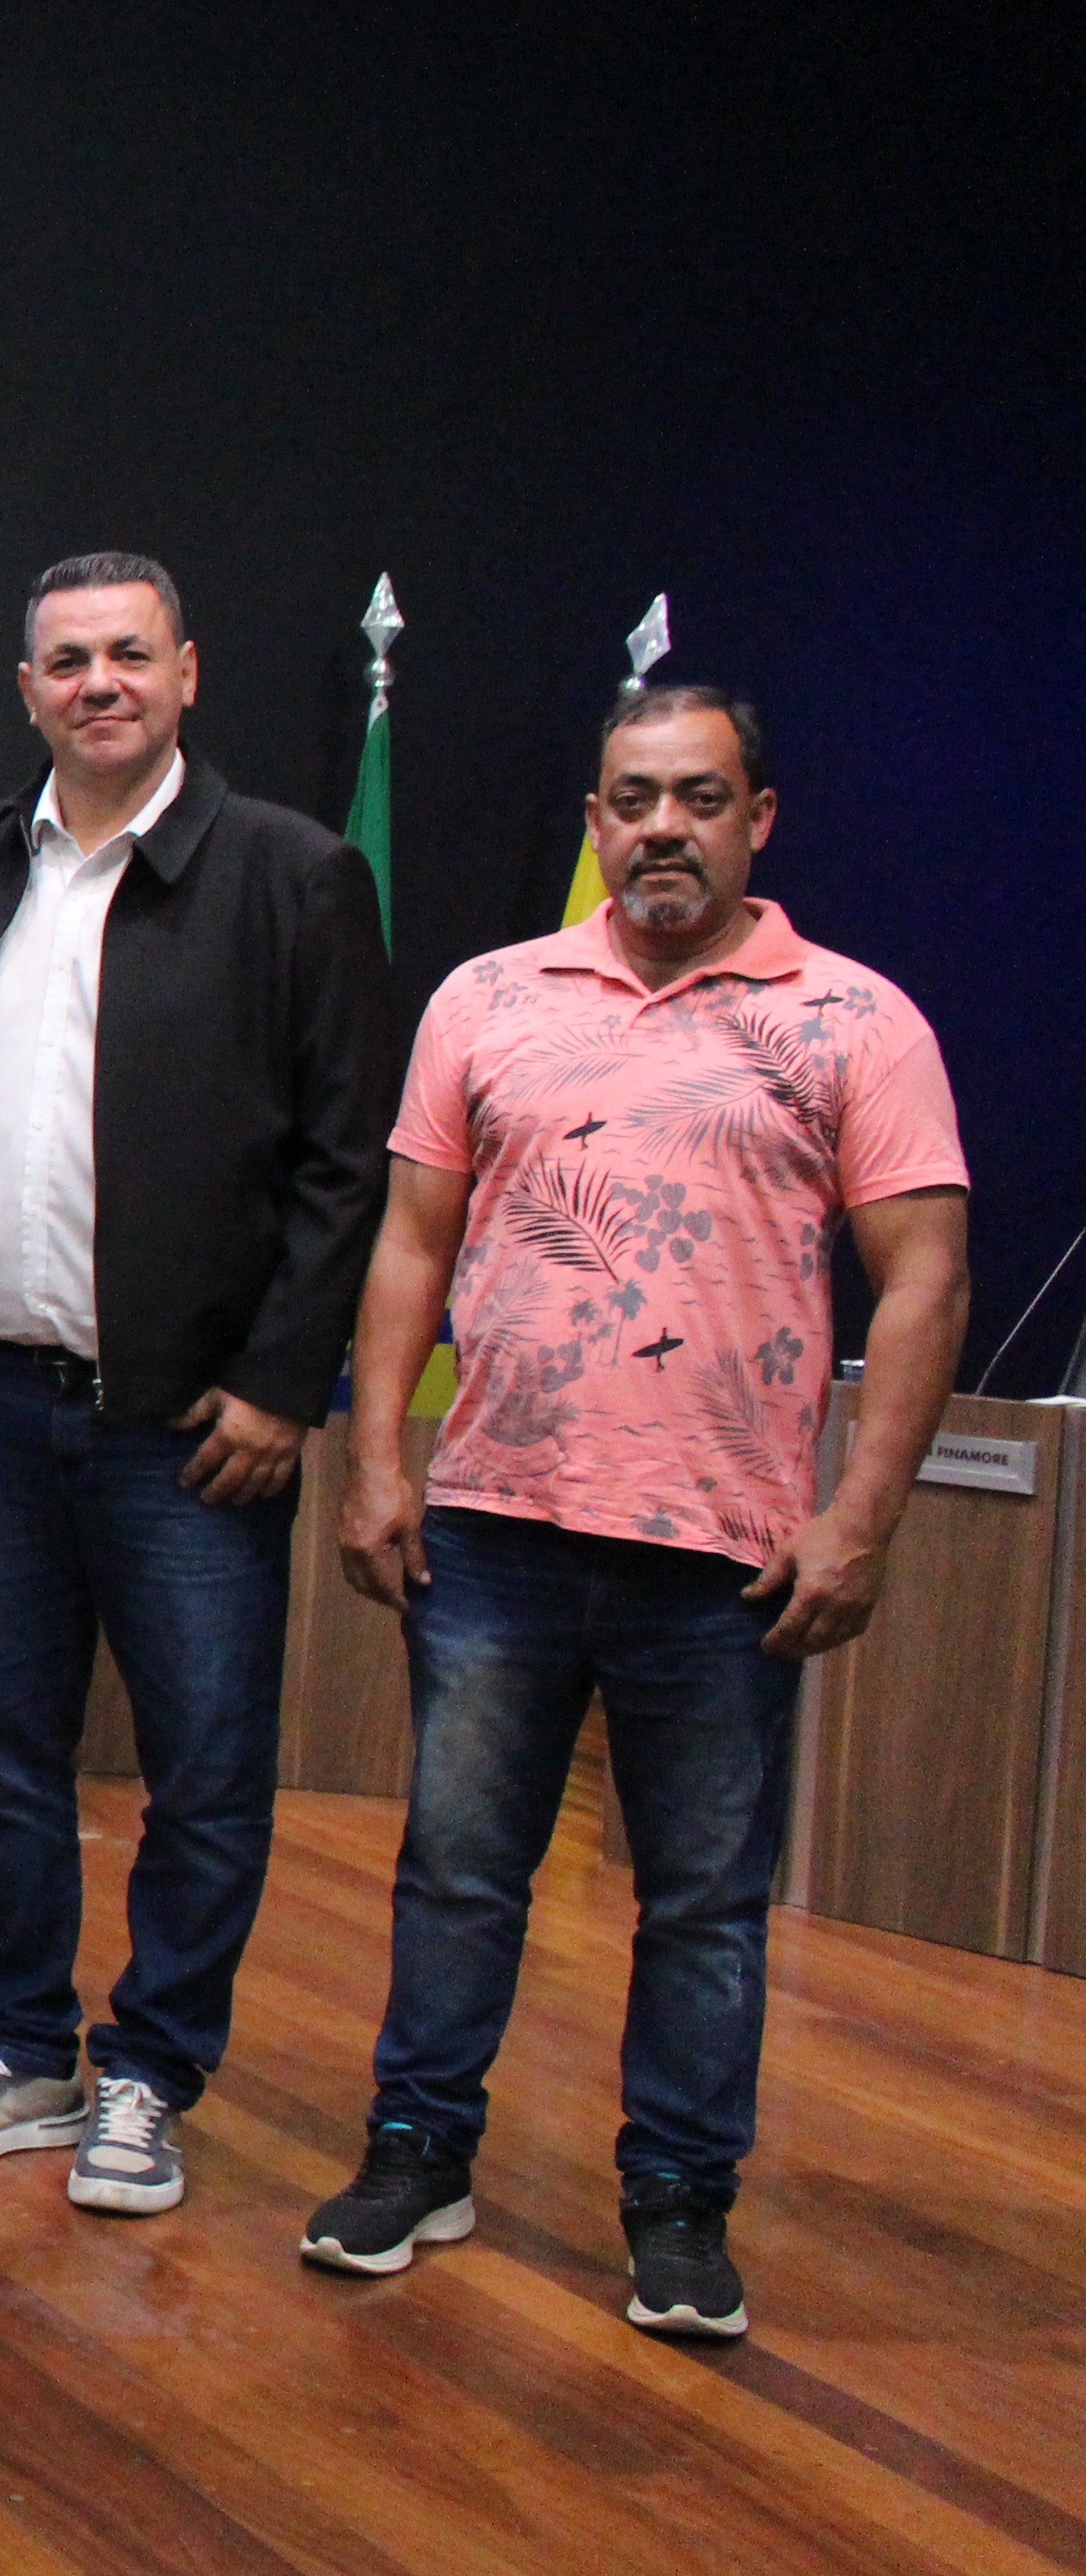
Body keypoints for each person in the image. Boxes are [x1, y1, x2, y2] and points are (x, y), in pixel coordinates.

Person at [311, 687, 966, 2341]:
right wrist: (376, 1454)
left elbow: (920, 1281)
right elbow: (406, 1243)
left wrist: (859, 1517)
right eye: (626, 800)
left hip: (722, 1555)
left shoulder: (852, 1019)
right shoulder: (484, 997)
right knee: (456, 1869)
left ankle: (676, 2203)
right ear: (592, 820)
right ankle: (416, 2151)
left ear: (759, 816)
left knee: (697, 1899)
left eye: (694, 797)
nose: (656, 827)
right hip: (494, 1528)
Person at [0, 554, 395, 2219]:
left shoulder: (291, 873)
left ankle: (152, 2071)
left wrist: (279, 1383)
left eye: (124, 654)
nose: (93, 682)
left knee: (201, 1763)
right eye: (60, 660)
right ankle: (18, 2050)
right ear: (21, 687)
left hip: (188, 1425)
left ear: (184, 671)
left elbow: (341, 1164)